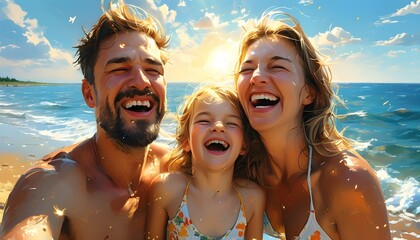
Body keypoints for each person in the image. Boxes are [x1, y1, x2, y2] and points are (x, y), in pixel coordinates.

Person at [0, 0, 170, 239]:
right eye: (120, 68)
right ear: (90, 94)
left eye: (154, 70)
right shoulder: (56, 182)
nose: (142, 81)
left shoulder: (176, 168)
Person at [234, 10, 391, 240]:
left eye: (277, 67)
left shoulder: (348, 180)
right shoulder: (240, 171)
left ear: (309, 92)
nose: (257, 76)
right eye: (247, 69)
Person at [145, 84, 266, 239]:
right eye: (204, 120)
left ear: (244, 145)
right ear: (186, 140)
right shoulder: (167, 190)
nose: (218, 126)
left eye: (232, 123)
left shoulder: (252, 198)